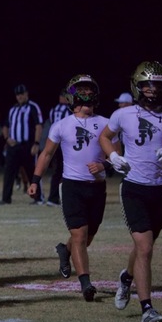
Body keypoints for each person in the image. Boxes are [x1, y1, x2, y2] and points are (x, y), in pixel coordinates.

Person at [99, 61, 162, 322]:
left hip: (161, 190)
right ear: (137, 86)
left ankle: (126, 277)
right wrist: (114, 156)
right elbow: (105, 137)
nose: (152, 90)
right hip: (134, 188)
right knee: (145, 247)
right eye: (147, 85)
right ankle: (147, 309)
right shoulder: (124, 114)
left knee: (144, 247)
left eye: (157, 85)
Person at [28, 74, 109, 302]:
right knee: (80, 235)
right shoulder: (61, 125)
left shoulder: (105, 123)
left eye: (90, 90)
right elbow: (46, 154)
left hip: (97, 186)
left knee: (88, 236)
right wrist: (35, 180)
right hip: (72, 185)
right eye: (83, 90)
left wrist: (104, 164)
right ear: (73, 95)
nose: (88, 94)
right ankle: (85, 283)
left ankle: (65, 249)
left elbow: (117, 155)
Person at [0, 84, 43, 205]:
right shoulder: (13, 109)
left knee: (32, 171)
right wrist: (7, 138)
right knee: (8, 172)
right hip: (14, 146)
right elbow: (5, 125)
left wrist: (36, 143)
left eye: (22, 94)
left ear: (27, 94)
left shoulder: (33, 107)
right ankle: (6, 198)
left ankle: (38, 198)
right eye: (18, 94)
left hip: (27, 146)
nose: (20, 96)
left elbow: (39, 126)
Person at [42, 89, 72, 206]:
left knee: (57, 171)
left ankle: (53, 197)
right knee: (67, 171)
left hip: (55, 143)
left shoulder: (53, 110)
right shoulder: (70, 109)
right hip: (66, 144)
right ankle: (61, 197)